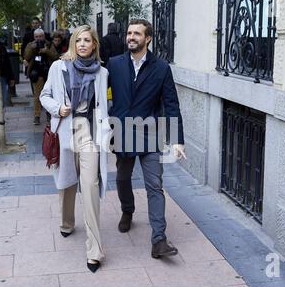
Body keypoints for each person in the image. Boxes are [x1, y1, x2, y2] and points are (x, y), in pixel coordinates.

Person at [107, 19, 187, 259]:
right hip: (122, 130)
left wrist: (177, 139)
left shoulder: (161, 68)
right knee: (122, 179)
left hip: (149, 133)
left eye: (137, 34)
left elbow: (171, 104)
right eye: (129, 33)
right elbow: (97, 92)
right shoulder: (114, 64)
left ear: (147, 38)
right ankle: (127, 211)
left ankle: (159, 239)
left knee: (154, 185)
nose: (131, 37)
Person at [40, 25, 111, 273]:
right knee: (67, 182)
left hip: (89, 132)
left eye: (87, 40)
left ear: (94, 45)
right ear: (73, 43)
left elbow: (103, 104)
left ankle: (94, 251)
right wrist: (57, 108)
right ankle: (67, 222)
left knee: (90, 185)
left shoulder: (102, 72)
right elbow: (44, 95)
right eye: (78, 40)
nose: (82, 44)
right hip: (65, 129)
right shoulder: (58, 67)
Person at [24, 28, 59, 125]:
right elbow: (26, 57)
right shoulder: (30, 45)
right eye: (36, 37)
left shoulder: (49, 44)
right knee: (37, 96)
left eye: (40, 36)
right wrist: (32, 48)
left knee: (50, 95)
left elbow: (55, 56)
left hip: (48, 73)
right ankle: (37, 116)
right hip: (36, 73)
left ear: (44, 36)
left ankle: (49, 114)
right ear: (34, 37)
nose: (39, 38)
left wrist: (46, 51)